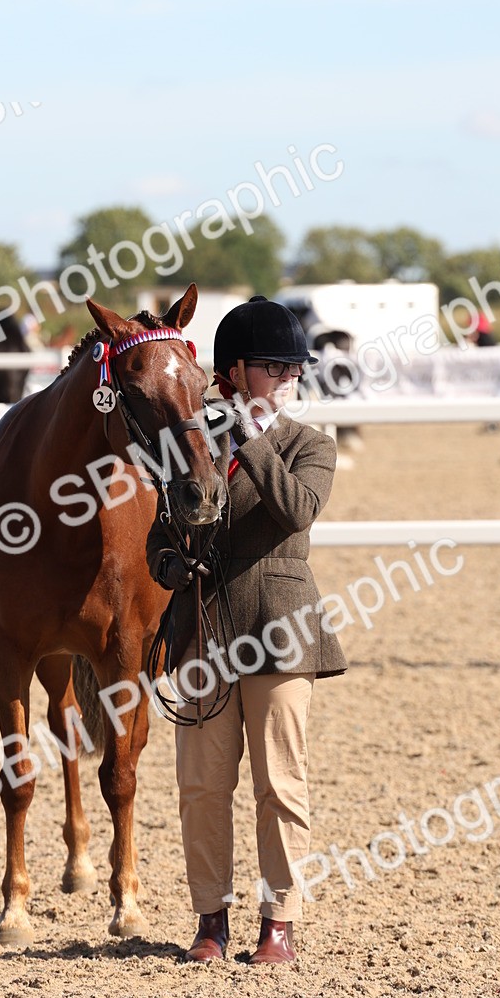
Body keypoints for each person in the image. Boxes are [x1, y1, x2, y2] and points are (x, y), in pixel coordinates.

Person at [146, 295, 348, 964]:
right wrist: (170, 559)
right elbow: (157, 533)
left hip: (280, 628)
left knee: (278, 782)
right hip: (205, 627)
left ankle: (279, 923)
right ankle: (211, 921)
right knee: (202, 784)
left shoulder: (310, 445)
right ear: (235, 370)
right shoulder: (191, 441)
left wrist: (252, 435)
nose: (290, 377)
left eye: (294, 368)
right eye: (275, 366)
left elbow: (294, 510)